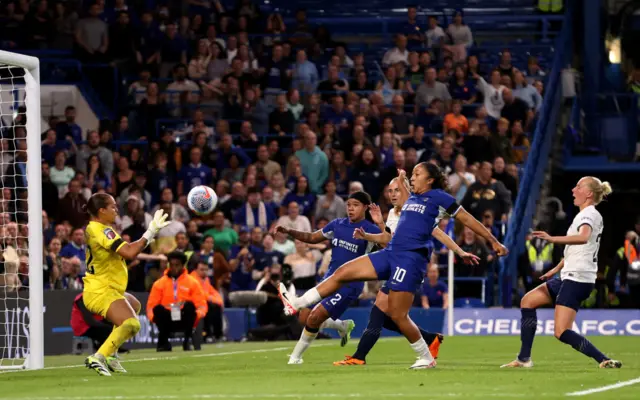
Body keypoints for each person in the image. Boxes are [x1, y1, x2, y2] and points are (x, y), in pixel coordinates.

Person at [279, 163, 507, 369]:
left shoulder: (440, 198)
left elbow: (468, 219)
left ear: (430, 180)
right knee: (343, 272)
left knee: (397, 315)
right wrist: (399, 183)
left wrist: (493, 241)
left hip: (411, 259)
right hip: (391, 252)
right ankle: (298, 303)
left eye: (418, 174)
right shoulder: (411, 200)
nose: (413, 177)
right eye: (413, 174)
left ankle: (425, 357)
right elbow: (389, 233)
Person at [334, 176, 478, 366]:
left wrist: (459, 251)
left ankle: (360, 356)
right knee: (389, 316)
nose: (393, 195)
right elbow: (389, 240)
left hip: (409, 266)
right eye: (390, 191)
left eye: (397, 190)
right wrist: (377, 226)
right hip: (395, 264)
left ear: (406, 191)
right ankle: (429, 338)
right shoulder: (393, 214)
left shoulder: (416, 211)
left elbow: (439, 234)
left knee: (382, 311)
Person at [501, 177, 622, 369]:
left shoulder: (589, 215)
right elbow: (577, 249)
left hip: (578, 278)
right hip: (568, 275)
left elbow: (582, 238)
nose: (573, 190)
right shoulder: (584, 214)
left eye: (578, 187)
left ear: (589, 194)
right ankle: (524, 359)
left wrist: (551, 239)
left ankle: (603, 359)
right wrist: (556, 269)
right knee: (528, 301)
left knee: (561, 331)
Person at [272, 191, 381, 364]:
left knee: (315, 317)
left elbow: (389, 244)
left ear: (366, 207)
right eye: (348, 205)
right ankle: (341, 325)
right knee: (305, 317)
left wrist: (380, 223)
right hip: (330, 279)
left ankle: (295, 358)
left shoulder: (370, 229)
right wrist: (289, 231)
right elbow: (312, 237)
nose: (351, 208)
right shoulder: (337, 224)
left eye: (356, 205)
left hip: (350, 284)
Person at [82, 193, 170, 376]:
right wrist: (151, 231)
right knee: (132, 323)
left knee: (135, 305)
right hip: (101, 290)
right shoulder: (100, 230)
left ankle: (111, 356)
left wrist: (150, 234)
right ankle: (98, 357)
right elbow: (130, 253)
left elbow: (129, 250)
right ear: (101, 210)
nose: (116, 210)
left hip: (108, 288)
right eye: (113, 206)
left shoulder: (101, 228)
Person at [147, 251, 208, 352]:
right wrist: (153, 318)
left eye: (177, 265)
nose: (174, 267)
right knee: (158, 309)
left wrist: (196, 315)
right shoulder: (159, 284)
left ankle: (187, 341)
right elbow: (151, 306)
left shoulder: (193, 283)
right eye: (171, 265)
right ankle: (164, 343)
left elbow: (202, 305)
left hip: (185, 318)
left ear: (183, 265)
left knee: (190, 306)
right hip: (167, 318)